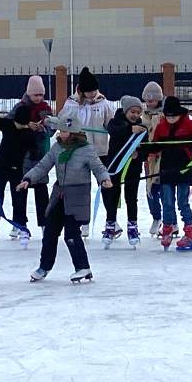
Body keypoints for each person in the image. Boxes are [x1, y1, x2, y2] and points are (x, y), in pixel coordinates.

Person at [18, 110, 112, 283]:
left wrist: (104, 179)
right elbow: (43, 165)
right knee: (50, 233)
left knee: (71, 234)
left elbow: (98, 168)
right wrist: (28, 178)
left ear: (75, 132)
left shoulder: (86, 149)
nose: (61, 134)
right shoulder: (57, 147)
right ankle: (44, 267)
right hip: (59, 197)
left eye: (65, 131)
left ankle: (83, 267)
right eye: (60, 131)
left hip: (77, 197)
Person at [145, 96, 192, 251]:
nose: (171, 120)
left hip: (184, 172)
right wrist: (141, 150)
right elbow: (154, 146)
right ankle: (167, 228)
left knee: (182, 202)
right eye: (168, 117)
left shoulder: (187, 124)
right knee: (166, 202)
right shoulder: (161, 126)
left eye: (174, 117)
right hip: (166, 171)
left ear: (179, 114)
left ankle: (190, 232)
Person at [61, 66, 115, 238]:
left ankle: (111, 221)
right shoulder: (71, 103)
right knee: (81, 189)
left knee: (106, 185)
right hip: (78, 152)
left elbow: (111, 124)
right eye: (89, 91)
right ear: (81, 90)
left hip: (100, 151)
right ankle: (82, 223)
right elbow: (62, 122)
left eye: (94, 91)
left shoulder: (103, 103)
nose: (92, 94)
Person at [0, 105, 38, 249]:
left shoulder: (28, 133)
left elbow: (35, 153)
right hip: (0, 169)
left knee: (19, 200)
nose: (19, 126)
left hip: (17, 171)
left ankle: (22, 227)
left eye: (23, 124)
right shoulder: (7, 125)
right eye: (18, 123)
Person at [11, 75, 54, 241]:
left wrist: (44, 128)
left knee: (42, 192)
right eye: (36, 95)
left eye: (41, 95)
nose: (39, 98)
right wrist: (26, 126)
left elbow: (53, 128)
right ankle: (19, 222)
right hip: (22, 155)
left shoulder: (45, 109)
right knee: (21, 191)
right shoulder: (19, 107)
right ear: (29, 94)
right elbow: (10, 125)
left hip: (40, 156)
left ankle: (44, 224)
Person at [103, 96, 148, 248]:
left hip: (133, 169)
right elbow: (114, 131)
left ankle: (133, 227)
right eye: (132, 112)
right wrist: (130, 129)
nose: (135, 115)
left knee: (131, 197)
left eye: (138, 112)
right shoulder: (115, 122)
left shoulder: (142, 128)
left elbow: (146, 150)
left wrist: (139, 155)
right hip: (115, 167)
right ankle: (110, 226)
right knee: (112, 196)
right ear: (125, 110)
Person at [141, 81, 165, 236]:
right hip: (149, 158)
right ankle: (156, 217)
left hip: (164, 157)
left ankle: (170, 219)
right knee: (150, 188)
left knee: (165, 189)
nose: (149, 103)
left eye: (152, 100)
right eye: (147, 100)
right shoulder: (142, 116)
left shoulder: (164, 116)